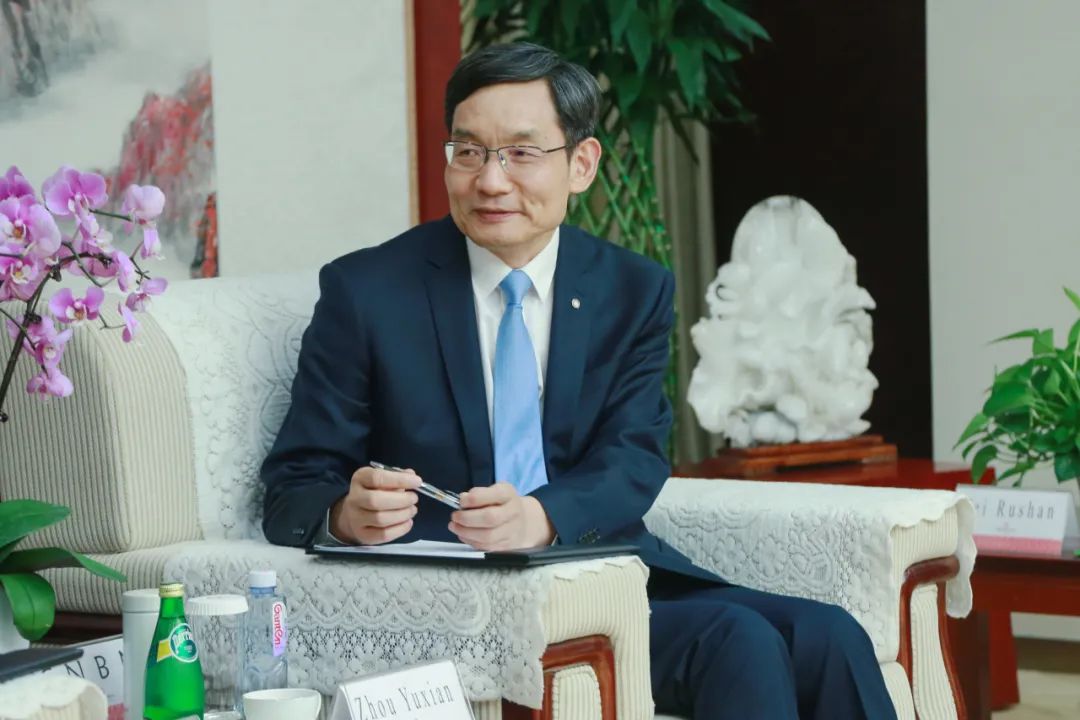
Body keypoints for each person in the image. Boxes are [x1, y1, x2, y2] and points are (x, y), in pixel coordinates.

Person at [261, 42, 897, 720]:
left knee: (830, 635)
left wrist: (542, 518)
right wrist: (345, 516)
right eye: (469, 151)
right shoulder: (368, 292)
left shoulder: (632, 288)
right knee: (736, 641)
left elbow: (634, 453)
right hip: (455, 598)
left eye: (521, 153)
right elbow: (293, 487)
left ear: (582, 164)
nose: (491, 180)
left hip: (598, 570)